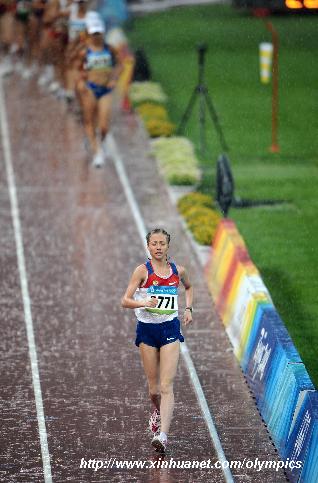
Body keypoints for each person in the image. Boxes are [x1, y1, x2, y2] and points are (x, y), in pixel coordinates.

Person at [121, 228, 193, 453]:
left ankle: (162, 435)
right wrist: (143, 303)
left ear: (168, 246)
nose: (158, 247)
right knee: (154, 390)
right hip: (147, 332)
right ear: (148, 246)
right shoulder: (142, 271)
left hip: (170, 329)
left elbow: (189, 287)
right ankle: (156, 409)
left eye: (162, 243)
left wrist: (189, 308)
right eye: (154, 243)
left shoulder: (178, 271)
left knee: (166, 386)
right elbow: (125, 300)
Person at [74, 15, 122, 167]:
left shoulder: (110, 49)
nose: (96, 37)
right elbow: (76, 68)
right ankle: (97, 153)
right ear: (89, 33)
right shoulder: (84, 51)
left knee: (103, 126)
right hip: (91, 89)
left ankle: (98, 142)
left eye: (98, 33)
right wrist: (81, 82)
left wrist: (114, 79)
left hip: (105, 90)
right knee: (89, 121)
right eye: (94, 34)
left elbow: (120, 65)